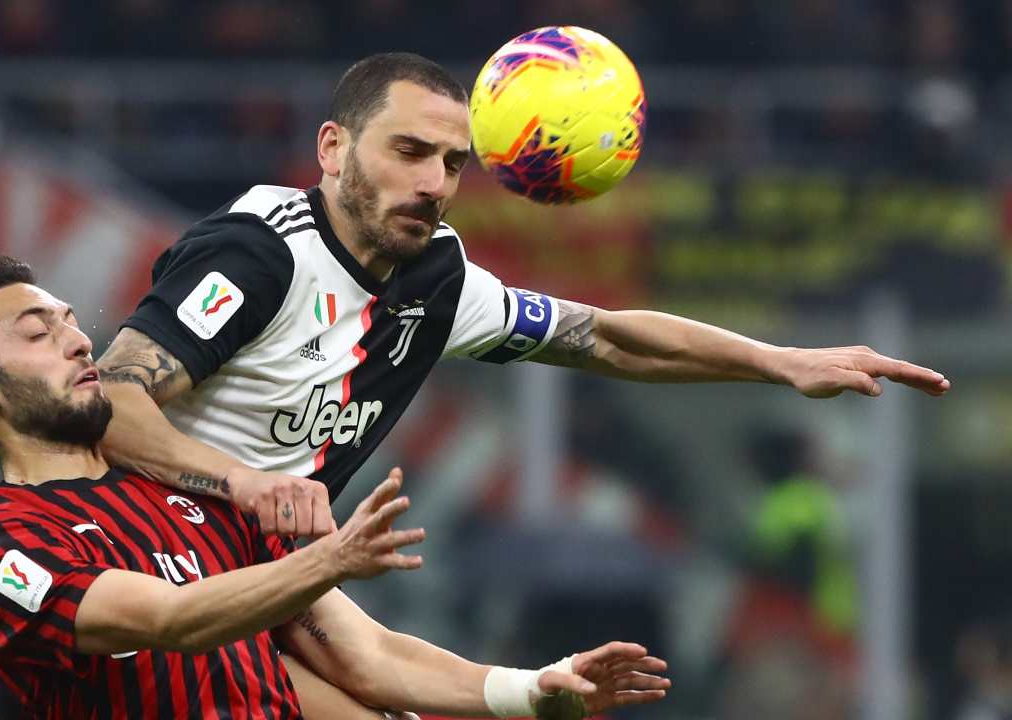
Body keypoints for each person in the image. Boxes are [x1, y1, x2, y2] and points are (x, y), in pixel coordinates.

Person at [96, 51, 950, 535]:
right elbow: (112, 398)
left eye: (452, 163)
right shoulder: (257, 254)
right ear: (332, 148)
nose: (433, 183)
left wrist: (778, 362)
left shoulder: (436, 274)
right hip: (140, 560)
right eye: (407, 152)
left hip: (267, 575)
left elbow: (606, 338)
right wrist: (246, 485)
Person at [0, 257, 672, 718]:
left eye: (71, 321)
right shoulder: (4, 549)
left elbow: (368, 655)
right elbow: (172, 620)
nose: (76, 339)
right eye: (37, 334)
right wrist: (327, 560)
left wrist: (533, 690)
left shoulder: (197, 494)